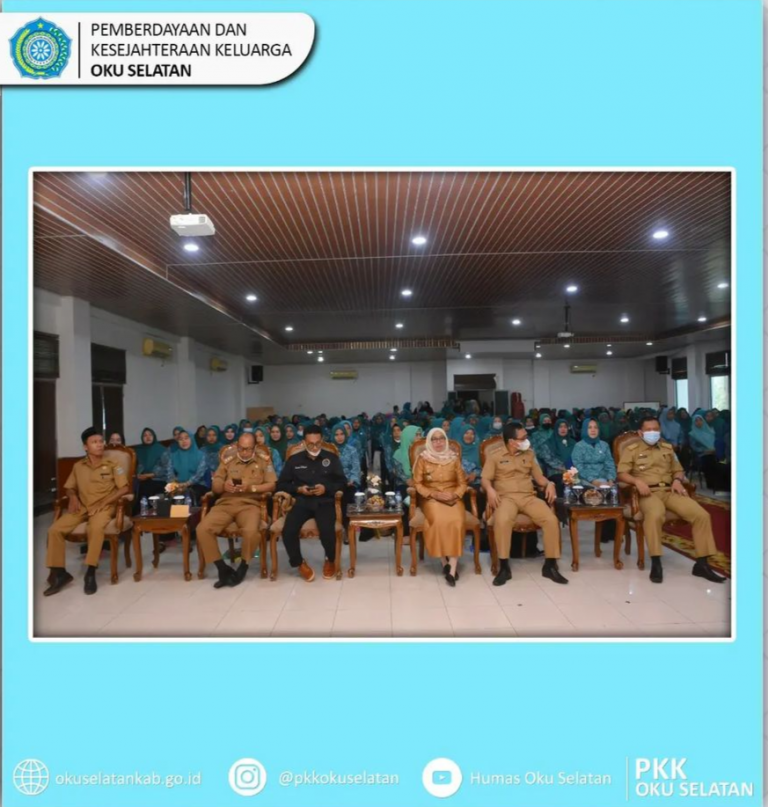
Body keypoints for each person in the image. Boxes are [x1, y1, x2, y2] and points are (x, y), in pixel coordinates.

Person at [617, 415, 725, 584]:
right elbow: (622, 474)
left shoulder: (667, 448)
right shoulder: (632, 450)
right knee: (655, 514)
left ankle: (702, 564)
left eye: (655, 429)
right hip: (648, 492)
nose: (652, 432)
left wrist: (677, 480)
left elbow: (678, 470)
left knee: (702, 515)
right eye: (648, 430)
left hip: (670, 490)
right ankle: (656, 562)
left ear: (660, 430)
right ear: (640, 433)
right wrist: (637, 481)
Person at [44, 427, 130, 596]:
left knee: (95, 528)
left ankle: (90, 572)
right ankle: (60, 573)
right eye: (94, 442)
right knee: (54, 529)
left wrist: (104, 502)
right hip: (82, 507)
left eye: (101, 441)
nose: (100, 445)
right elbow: (69, 487)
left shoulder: (113, 464)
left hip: (105, 507)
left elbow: (124, 488)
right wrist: (72, 496)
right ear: (85, 447)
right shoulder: (78, 466)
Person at [481, 422, 567, 586]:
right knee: (502, 520)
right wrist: (490, 490)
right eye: (523, 438)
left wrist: (549, 484)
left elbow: (539, 478)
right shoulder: (495, 456)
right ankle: (504, 567)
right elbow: (485, 478)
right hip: (506, 498)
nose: (527, 440)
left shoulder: (529, 454)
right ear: (512, 441)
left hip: (528, 497)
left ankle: (549, 566)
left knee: (551, 520)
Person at [197, 432, 277, 588]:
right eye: (241, 448)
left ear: (255, 447)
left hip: (250, 504)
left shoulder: (263, 461)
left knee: (251, 531)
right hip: (225, 504)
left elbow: (272, 485)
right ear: (237, 446)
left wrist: (250, 488)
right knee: (202, 529)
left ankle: (243, 567)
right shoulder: (228, 460)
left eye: (248, 449)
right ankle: (222, 568)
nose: (244, 452)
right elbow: (215, 484)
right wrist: (223, 485)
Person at [276, 425, 347, 582]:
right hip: (302, 501)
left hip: (325, 501)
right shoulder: (294, 460)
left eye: (317, 443)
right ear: (304, 442)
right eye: (310, 444)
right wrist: (299, 489)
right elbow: (281, 484)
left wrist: (326, 488)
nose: (314, 447)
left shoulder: (331, 458)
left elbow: (342, 483)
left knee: (327, 530)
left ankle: (330, 560)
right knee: (288, 531)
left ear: (322, 441)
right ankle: (299, 563)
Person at [413, 428, 468, 586]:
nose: (438, 442)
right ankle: (444, 561)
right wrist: (433, 494)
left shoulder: (453, 458)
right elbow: (418, 483)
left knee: (457, 521)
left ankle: (452, 568)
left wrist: (455, 494)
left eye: (441, 439)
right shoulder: (423, 459)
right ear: (429, 442)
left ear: (446, 440)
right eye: (434, 439)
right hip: (431, 498)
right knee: (438, 521)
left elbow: (462, 483)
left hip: (452, 497)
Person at [571, 418, 618, 543]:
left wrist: (611, 479)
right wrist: (594, 481)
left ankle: (611, 532)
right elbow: (579, 467)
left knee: (612, 491)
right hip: (586, 479)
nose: (593, 430)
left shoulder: (604, 445)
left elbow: (610, 464)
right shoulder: (579, 446)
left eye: (595, 427)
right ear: (585, 429)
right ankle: (602, 532)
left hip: (604, 479)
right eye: (590, 427)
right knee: (600, 492)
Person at [164, 429, 208, 503]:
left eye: (186, 438)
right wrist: (175, 485)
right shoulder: (173, 455)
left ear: (192, 439)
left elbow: (199, 474)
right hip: (177, 485)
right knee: (168, 496)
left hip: (196, 485)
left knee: (190, 495)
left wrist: (186, 484)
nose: (184, 441)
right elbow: (169, 473)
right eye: (181, 439)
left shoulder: (201, 455)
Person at [135, 426, 167, 508]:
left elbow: (166, 469)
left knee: (154, 490)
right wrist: (139, 474)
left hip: (159, 480)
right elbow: (136, 467)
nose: (148, 437)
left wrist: (150, 475)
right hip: (143, 481)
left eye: (150, 435)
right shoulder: (139, 450)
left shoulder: (162, 450)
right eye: (145, 435)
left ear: (154, 436)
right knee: (141, 491)